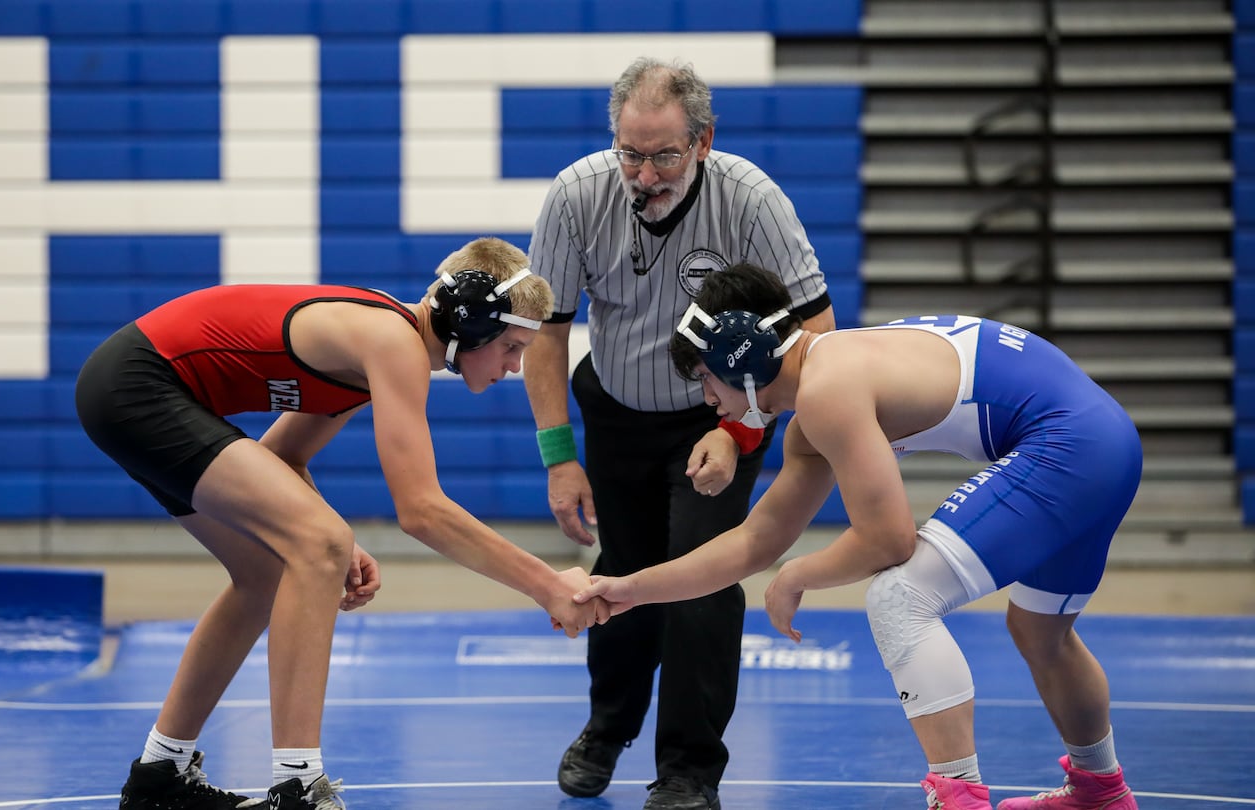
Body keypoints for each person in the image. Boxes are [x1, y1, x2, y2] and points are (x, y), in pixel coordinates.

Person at [573, 262, 1142, 810]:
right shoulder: (827, 379)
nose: (708, 401)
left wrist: (799, 573)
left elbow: (889, 541)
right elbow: (755, 542)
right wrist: (631, 589)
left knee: (900, 596)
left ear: (738, 355)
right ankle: (1101, 791)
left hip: (1068, 448)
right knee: (1041, 634)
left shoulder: (828, 388)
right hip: (1102, 441)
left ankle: (959, 798)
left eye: (705, 378)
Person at [75, 237, 609, 810]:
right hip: (140, 385)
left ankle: (160, 774)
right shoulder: (392, 341)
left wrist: (327, 540)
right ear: (469, 322)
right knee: (319, 542)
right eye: (510, 345)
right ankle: (298, 785)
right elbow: (422, 510)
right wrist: (548, 586)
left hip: (133, 388)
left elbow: (284, 457)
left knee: (267, 572)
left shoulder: (371, 347)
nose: (514, 366)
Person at [521, 57, 836, 809]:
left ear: (702, 142)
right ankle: (607, 727)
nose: (645, 174)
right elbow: (544, 333)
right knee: (623, 570)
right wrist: (559, 457)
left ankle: (690, 769)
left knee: (703, 580)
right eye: (631, 153)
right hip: (617, 409)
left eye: (664, 155)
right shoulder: (577, 195)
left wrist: (742, 424)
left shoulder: (751, 199)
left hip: (716, 416)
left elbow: (818, 335)